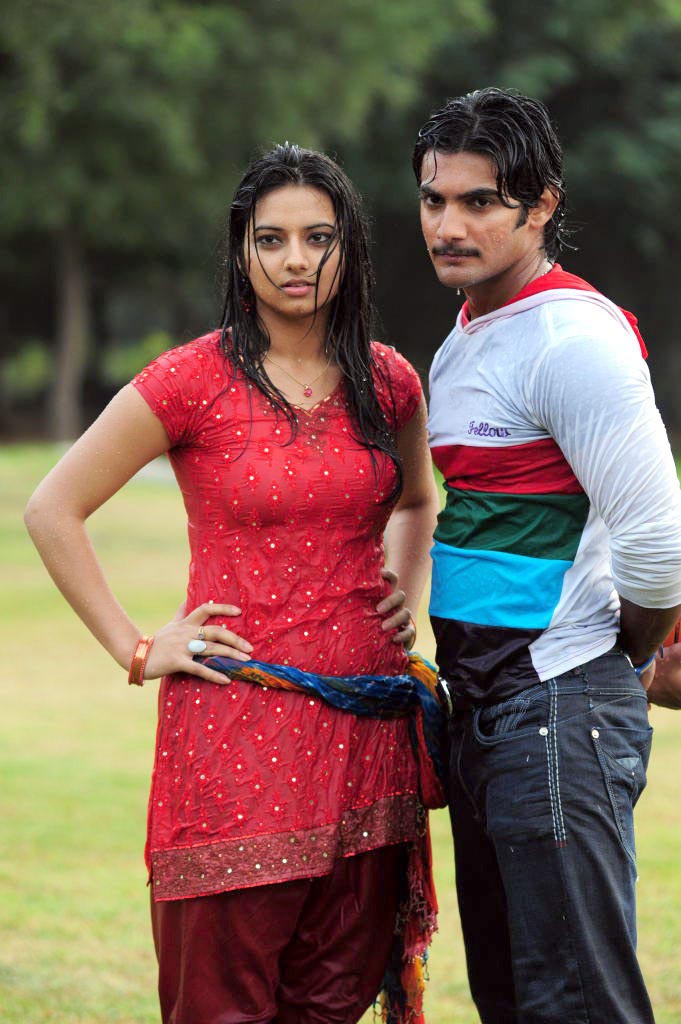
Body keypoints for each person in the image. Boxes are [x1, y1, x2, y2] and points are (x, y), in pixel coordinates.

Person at [25, 144, 442, 1024]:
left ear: (349, 248)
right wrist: (137, 648)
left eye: (318, 238)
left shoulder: (390, 381)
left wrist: (404, 595)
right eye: (272, 239)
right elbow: (52, 509)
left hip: (368, 735)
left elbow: (415, 501)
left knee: (330, 1002)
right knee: (219, 1002)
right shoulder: (191, 380)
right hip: (234, 735)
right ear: (241, 251)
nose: (296, 260)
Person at [414, 87, 681, 1023]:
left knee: (575, 1004)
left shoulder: (572, 337)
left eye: (478, 202)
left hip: (556, 708)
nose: (448, 225)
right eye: (433, 199)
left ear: (541, 207)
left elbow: (656, 539)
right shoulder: (464, 338)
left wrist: (623, 658)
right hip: (483, 711)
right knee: (513, 999)